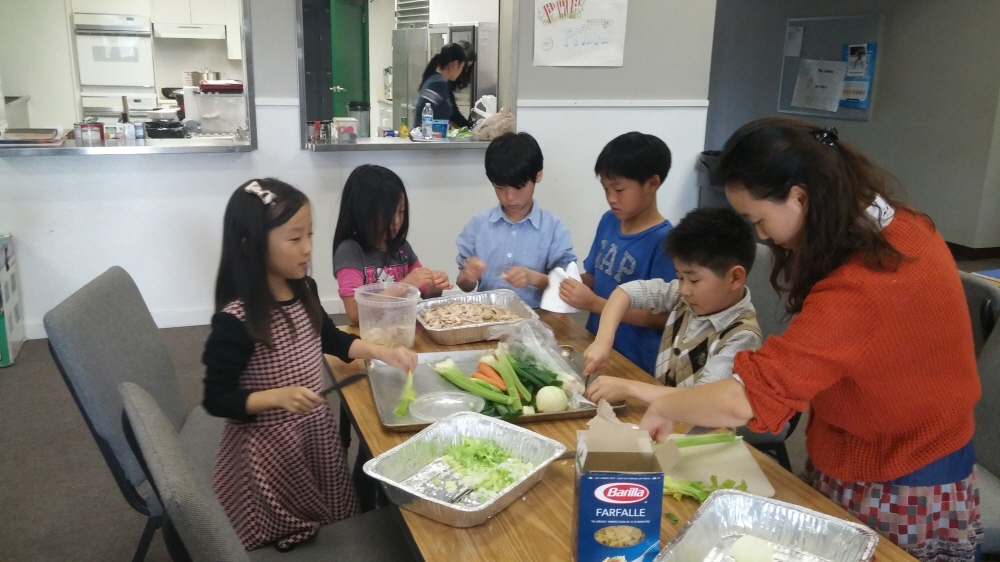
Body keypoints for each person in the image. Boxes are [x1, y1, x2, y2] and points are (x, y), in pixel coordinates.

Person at [638, 117, 983, 562]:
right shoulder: (899, 224)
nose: (761, 235)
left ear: (800, 197)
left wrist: (666, 405)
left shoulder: (864, 287)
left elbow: (746, 399)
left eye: (759, 219)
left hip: (902, 474)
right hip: (862, 443)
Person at [202, 178, 418, 551]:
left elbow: (331, 339)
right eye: (294, 238)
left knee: (330, 509)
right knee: (278, 525)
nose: (308, 248)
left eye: (310, 235)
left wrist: (382, 352)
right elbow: (216, 398)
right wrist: (275, 397)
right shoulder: (236, 320)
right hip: (268, 448)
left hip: (313, 432)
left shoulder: (305, 288)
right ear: (251, 245)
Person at [583, 206, 761, 404]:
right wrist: (603, 341)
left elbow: (704, 401)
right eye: (679, 277)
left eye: (694, 280)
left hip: (695, 421)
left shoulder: (742, 337)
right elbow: (624, 293)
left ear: (735, 278)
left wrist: (630, 388)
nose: (684, 289)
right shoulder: (684, 295)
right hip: (661, 411)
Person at [559, 132, 677, 374]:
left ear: (652, 184)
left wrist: (594, 303)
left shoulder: (665, 242)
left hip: (635, 359)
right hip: (595, 343)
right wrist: (562, 283)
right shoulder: (609, 221)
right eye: (606, 189)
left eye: (619, 189)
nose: (611, 198)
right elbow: (594, 276)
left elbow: (661, 317)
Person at [455, 132, 576, 308]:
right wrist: (468, 276)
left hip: (537, 317)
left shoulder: (554, 228)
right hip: (487, 315)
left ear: (538, 176)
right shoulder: (478, 225)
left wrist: (534, 278)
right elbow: (464, 285)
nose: (510, 197)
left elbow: (567, 285)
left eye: (519, 188)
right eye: (500, 187)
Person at [332, 164, 451, 324]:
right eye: (386, 214)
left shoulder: (401, 247)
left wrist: (435, 284)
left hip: (403, 330)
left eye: (401, 211)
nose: (396, 222)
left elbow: (425, 292)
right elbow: (354, 312)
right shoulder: (350, 251)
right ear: (363, 213)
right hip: (371, 335)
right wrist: (405, 285)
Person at [413, 43, 468, 129]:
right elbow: (423, 111)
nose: (461, 72)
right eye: (462, 67)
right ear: (455, 64)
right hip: (429, 135)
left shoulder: (436, 79)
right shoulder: (438, 83)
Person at [447, 40, 477, 129]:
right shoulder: (443, 81)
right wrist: (471, 128)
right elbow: (452, 114)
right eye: (464, 67)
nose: (465, 71)